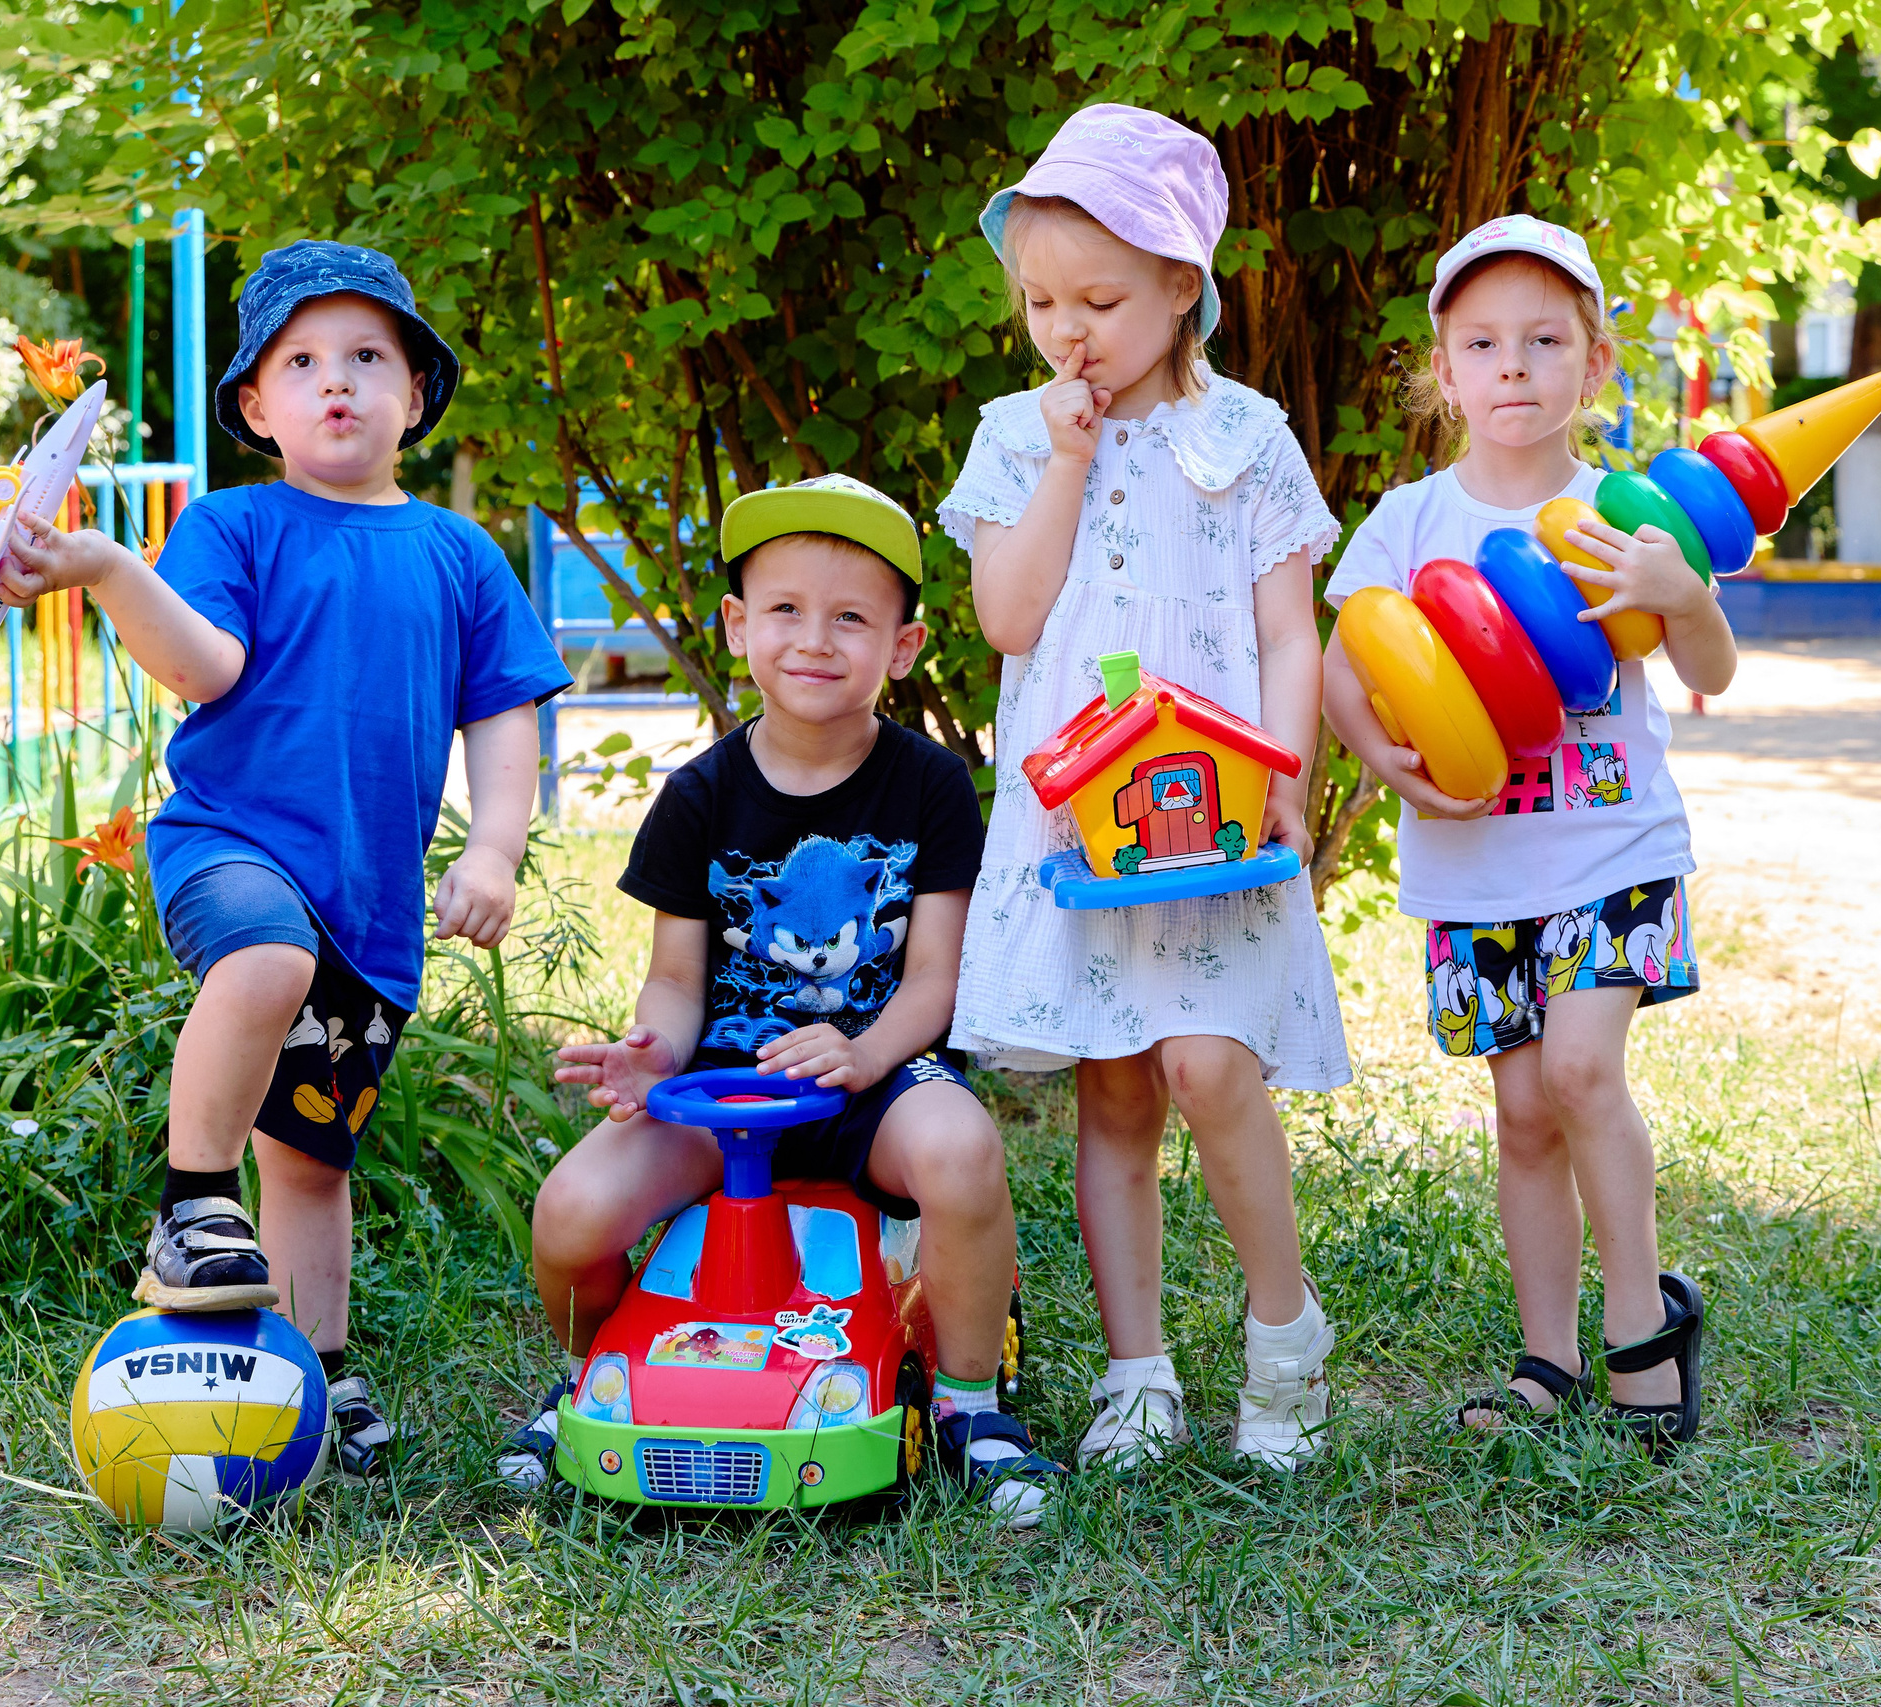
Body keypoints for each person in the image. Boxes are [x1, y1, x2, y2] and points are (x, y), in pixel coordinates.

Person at [0, 240, 572, 1478]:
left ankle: (321, 1363)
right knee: (262, 959)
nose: (338, 383)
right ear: (257, 406)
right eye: (302, 362)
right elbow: (205, 666)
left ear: (417, 391)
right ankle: (191, 1206)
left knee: (312, 1163)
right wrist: (107, 570)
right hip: (236, 846)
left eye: (369, 357)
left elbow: (505, 714)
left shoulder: (459, 555)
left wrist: (498, 850)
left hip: (371, 908)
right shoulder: (236, 524)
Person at [503, 475, 1062, 1526]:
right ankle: (590, 1378)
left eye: (851, 617)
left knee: (962, 1152)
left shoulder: (931, 786)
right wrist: (651, 1057)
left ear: (901, 646)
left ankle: (973, 1404)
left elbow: (936, 978)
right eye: (787, 610)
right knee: (570, 1211)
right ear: (737, 626)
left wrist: (863, 1058)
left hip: (875, 1079)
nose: (816, 639)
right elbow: (675, 981)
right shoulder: (699, 795)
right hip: (726, 1094)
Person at [941, 105, 1352, 1473]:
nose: (1071, 329)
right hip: (1084, 824)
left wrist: (1288, 777)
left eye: (1103, 299)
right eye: (1044, 301)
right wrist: (1064, 456)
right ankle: (1137, 1370)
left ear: (1184, 286)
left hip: (1220, 816)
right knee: (1117, 1090)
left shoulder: (1248, 438)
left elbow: (1293, 629)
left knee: (1210, 1063)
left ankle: (1284, 1328)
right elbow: (1007, 616)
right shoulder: (1018, 434)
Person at [1320, 216, 1735, 1455]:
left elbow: (1712, 662)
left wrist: (1680, 593)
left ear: (1592, 364)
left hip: (1611, 851)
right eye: (1484, 343)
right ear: (1441, 372)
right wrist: (1379, 754)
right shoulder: (1406, 519)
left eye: (1545, 341)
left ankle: (1639, 1329)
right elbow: (1347, 663)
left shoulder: (1619, 516)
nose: (1514, 366)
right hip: (1474, 863)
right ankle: (1545, 1355)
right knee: (1519, 1115)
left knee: (1580, 1072)